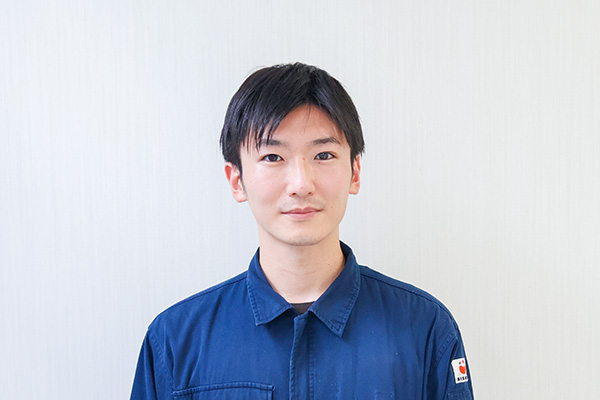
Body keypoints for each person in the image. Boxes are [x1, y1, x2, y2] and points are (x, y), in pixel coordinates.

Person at [130, 63, 474, 400]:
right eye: (272, 157)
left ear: (354, 172)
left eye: (323, 155)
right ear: (237, 180)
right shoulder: (175, 341)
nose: (300, 184)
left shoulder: (425, 328)